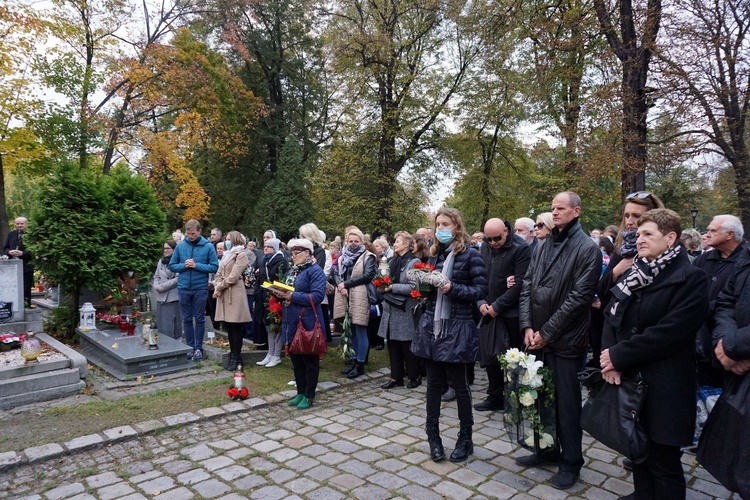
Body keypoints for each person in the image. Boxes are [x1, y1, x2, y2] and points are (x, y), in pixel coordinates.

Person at [601, 208, 709, 499]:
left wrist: (618, 356)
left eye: (648, 234)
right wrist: (608, 358)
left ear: (671, 238)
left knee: (663, 460)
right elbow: (613, 317)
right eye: (638, 234)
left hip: (666, 383)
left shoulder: (692, 278)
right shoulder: (637, 273)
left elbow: (671, 332)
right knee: (637, 450)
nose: (639, 239)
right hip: (633, 380)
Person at [517, 191, 602, 490]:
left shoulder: (586, 248)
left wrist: (547, 333)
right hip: (537, 335)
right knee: (541, 398)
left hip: (565, 340)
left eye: (561, 208)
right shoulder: (543, 244)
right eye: (552, 208)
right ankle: (546, 450)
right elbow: (527, 284)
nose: (554, 213)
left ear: (576, 211)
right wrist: (527, 325)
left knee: (567, 405)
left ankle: (571, 462)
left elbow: (578, 299)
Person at [411, 207, 488, 463]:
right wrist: (423, 285)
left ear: (457, 226)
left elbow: (479, 290)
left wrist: (451, 287)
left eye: (446, 224)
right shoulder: (434, 254)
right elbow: (431, 288)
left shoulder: (470, 254)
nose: (441, 229)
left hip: (457, 325)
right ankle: (433, 437)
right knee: (433, 384)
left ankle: (465, 438)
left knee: (459, 386)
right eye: (438, 224)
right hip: (432, 324)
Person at [593, 191, 666, 369]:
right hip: (613, 333)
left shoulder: (662, 254)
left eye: (636, 216)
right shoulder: (621, 250)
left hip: (644, 341)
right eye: (627, 215)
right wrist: (615, 273)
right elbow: (602, 292)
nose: (630, 221)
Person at [475, 218, 530, 412]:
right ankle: (495, 395)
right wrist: (481, 302)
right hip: (488, 308)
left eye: (496, 238)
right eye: (488, 239)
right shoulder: (485, 247)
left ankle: (515, 397)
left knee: (512, 357)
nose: (492, 243)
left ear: (506, 231)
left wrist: (498, 306)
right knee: (491, 356)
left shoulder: (520, 248)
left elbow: (521, 283)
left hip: (511, 312)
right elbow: (479, 277)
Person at [693, 215, 745, 387]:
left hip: (736, 345)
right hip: (702, 342)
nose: (707, 234)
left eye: (712, 230)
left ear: (729, 234)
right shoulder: (703, 259)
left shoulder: (745, 261)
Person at [276, 238, 327, 409]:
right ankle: (300, 391)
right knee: (296, 359)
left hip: (307, 320)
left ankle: (309, 394)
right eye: (292, 254)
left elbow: (318, 296)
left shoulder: (315, 271)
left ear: (307, 253)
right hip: (292, 319)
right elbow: (290, 290)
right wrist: (280, 292)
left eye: (296, 254)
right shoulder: (294, 270)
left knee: (309, 359)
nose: (293, 257)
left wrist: (293, 296)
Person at [169, 220, 219, 361]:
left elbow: (214, 267)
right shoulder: (180, 246)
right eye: (188, 233)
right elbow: (172, 265)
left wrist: (196, 266)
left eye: (193, 233)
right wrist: (184, 266)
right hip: (184, 287)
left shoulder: (208, 246)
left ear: (199, 231)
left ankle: (198, 348)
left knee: (199, 318)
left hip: (200, 288)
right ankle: (189, 347)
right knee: (186, 319)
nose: (191, 236)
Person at [378, 231, 422, 389]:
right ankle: (396, 377)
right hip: (390, 308)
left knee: (407, 345)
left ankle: (414, 376)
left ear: (406, 245)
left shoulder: (414, 261)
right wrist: (381, 281)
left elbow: (414, 287)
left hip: (404, 309)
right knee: (393, 345)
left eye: (397, 241)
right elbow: (383, 278)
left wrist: (392, 287)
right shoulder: (390, 260)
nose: (394, 244)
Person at [333, 228, 378, 379]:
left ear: (362, 242)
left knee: (360, 329)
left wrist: (346, 284)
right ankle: (352, 360)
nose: (353, 244)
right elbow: (336, 273)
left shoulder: (368, 256)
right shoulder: (342, 257)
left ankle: (360, 363)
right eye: (350, 241)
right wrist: (341, 285)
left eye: (356, 241)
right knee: (349, 329)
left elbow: (368, 275)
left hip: (360, 296)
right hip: (345, 296)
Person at [213, 231, 252, 371]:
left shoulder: (241, 255)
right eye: (226, 239)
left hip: (234, 293)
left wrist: (219, 286)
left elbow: (234, 276)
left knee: (235, 326)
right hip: (224, 292)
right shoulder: (226, 254)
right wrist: (218, 285)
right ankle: (234, 354)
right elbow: (219, 273)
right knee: (229, 326)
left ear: (235, 240)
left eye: (229, 239)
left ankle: (236, 356)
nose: (227, 241)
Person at [256, 237, 289, 368]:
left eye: (268, 246)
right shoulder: (264, 261)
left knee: (277, 326)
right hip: (264, 297)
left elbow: (282, 280)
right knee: (268, 326)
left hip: (276, 298)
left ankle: (276, 355)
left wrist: (275, 290)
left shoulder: (281, 261)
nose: (265, 248)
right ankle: (270, 353)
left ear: (275, 248)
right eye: (264, 246)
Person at [152, 240, 182, 340]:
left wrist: (162, 287)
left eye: (168, 248)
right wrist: (156, 286)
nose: (165, 250)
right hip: (161, 296)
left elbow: (178, 279)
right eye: (164, 248)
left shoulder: (179, 261)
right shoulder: (161, 261)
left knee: (171, 324)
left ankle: (174, 344)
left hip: (172, 296)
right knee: (162, 323)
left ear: (174, 249)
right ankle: (163, 343)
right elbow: (156, 276)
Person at [3, 217, 34, 307]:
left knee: (26, 289)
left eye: (22, 224)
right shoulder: (11, 234)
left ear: (26, 224)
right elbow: (5, 248)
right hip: (12, 268)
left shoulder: (31, 235)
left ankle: (26, 306)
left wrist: (22, 253)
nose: (19, 225)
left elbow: (35, 250)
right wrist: (9, 252)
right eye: (17, 224)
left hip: (26, 267)